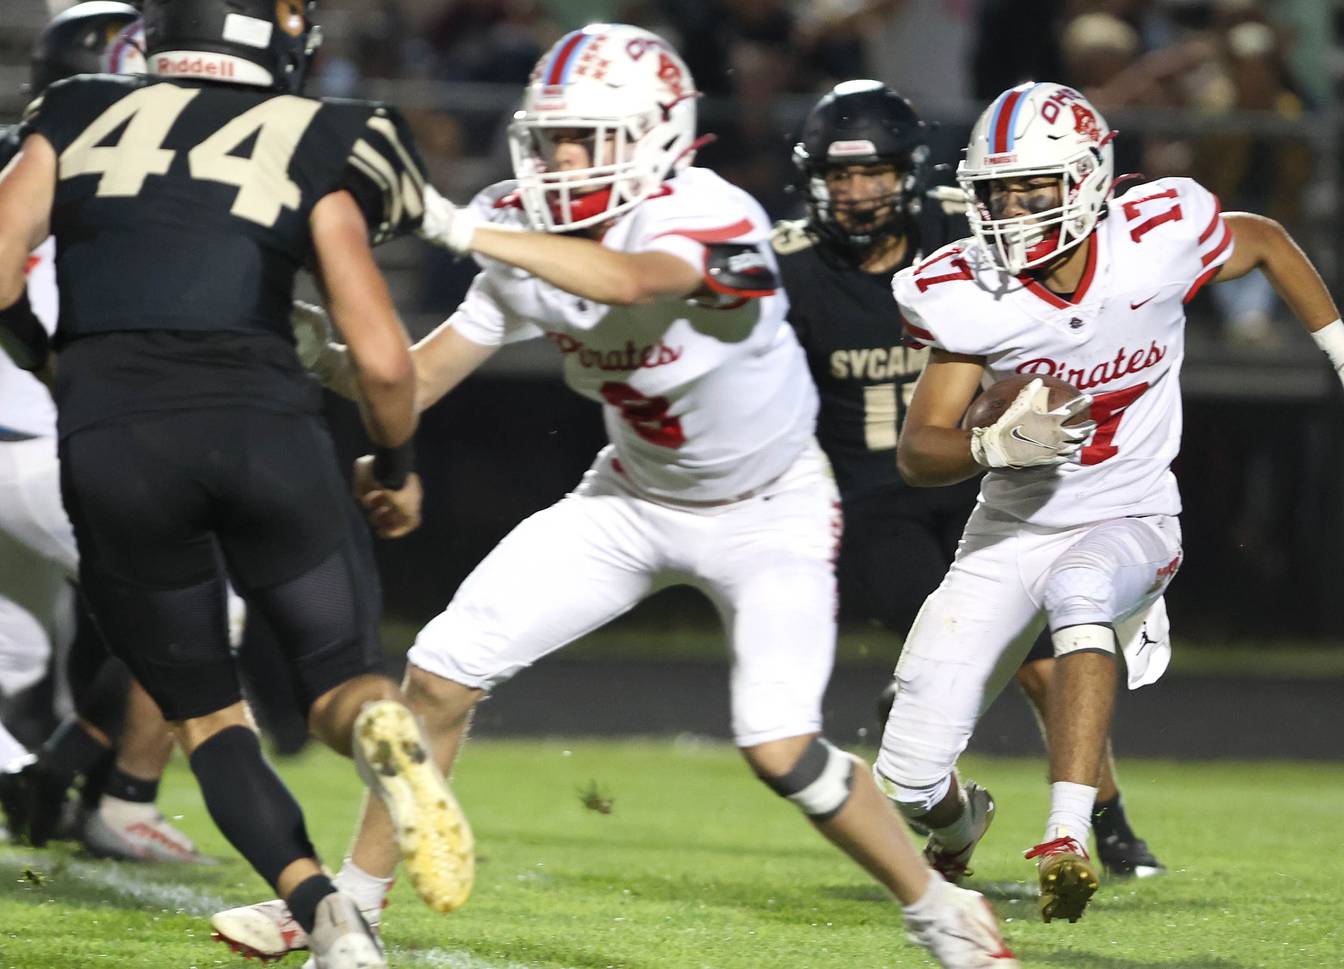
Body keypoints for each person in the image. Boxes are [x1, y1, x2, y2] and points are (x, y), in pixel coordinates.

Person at [210, 24, 1019, 969]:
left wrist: (454, 223)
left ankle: (940, 911)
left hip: (767, 510)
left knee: (779, 747)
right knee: (435, 675)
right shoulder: (518, 223)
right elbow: (420, 379)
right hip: (628, 500)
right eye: (552, 136)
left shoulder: (711, 214)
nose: (561, 159)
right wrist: (327, 361)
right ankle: (348, 911)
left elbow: (636, 280)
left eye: (587, 137)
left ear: (659, 135)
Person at [0, 2, 474, 966]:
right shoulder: (317, 132)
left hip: (114, 439)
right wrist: (397, 467)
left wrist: (51, 361)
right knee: (343, 681)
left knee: (207, 717)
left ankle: (326, 916)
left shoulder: (80, 109)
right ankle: (378, 727)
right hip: (264, 429)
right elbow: (384, 363)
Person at [874, 81, 1344, 925]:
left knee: (1082, 589)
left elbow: (1262, 239)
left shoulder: (1153, 239)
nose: (1012, 210)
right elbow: (918, 449)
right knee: (903, 776)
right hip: (1008, 532)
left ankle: (1067, 835)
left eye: (1033, 188)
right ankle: (964, 822)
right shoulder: (969, 290)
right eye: (998, 191)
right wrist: (989, 446)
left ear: (1087, 178)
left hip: (1131, 514)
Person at [777, 78, 1165, 881]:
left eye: (875, 173)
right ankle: (963, 810)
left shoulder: (980, 232)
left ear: (911, 173)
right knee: (998, 663)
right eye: (841, 176)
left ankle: (1105, 813)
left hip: (998, 486)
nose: (856, 192)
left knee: (1050, 651)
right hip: (878, 494)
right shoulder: (792, 270)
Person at [0, 0, 215, 865]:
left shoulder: (29, 162)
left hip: (24, 441)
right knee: (206, 609)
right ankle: (116, 797)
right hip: (49, 445)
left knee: (15, 656)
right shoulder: (125, 177)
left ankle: (31, 776)